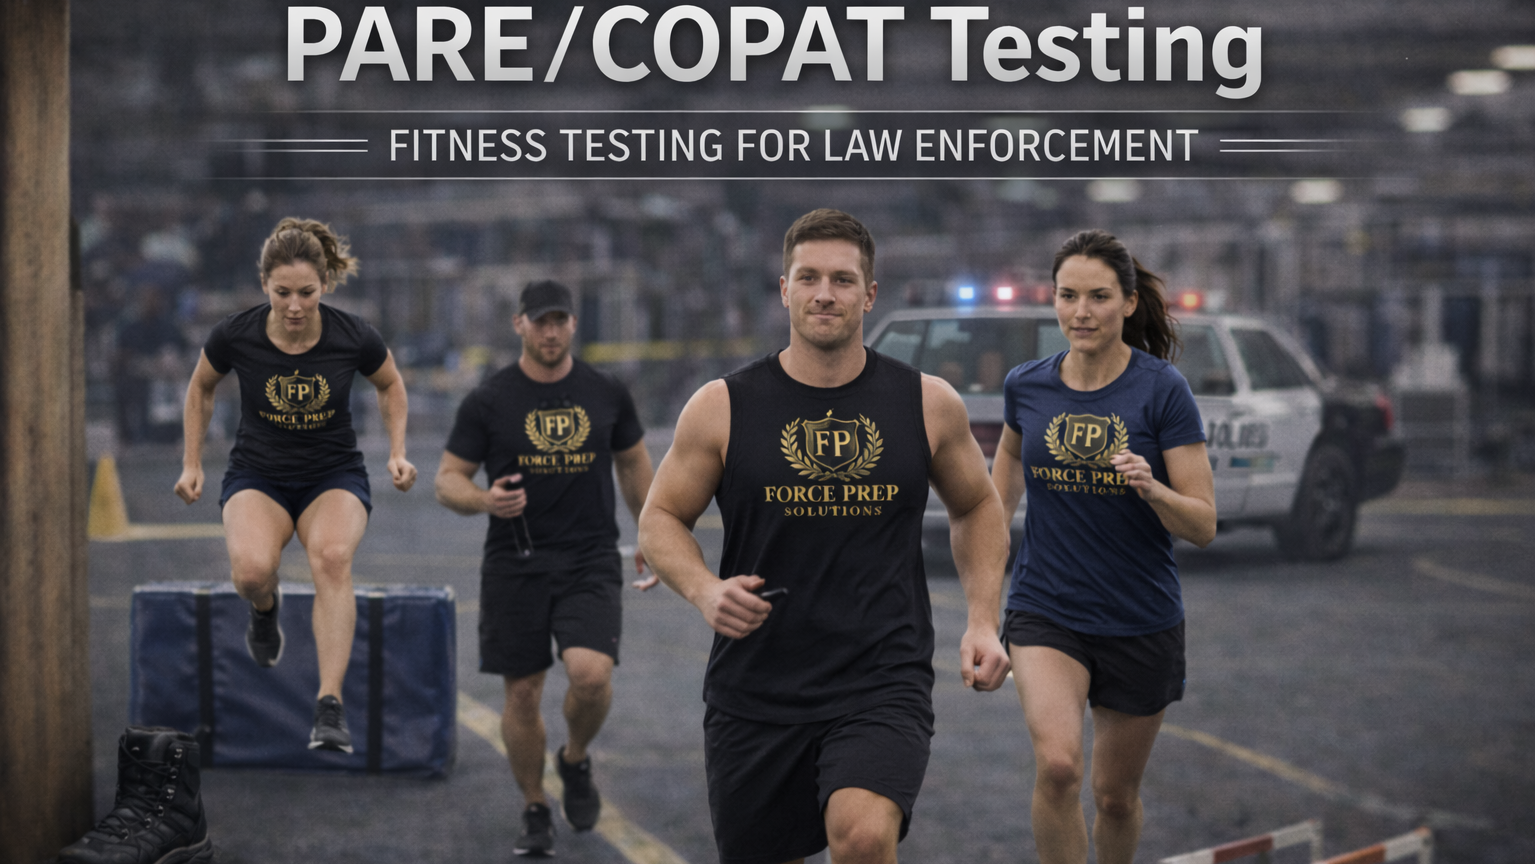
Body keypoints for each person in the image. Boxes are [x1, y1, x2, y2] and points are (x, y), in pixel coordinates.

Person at [638, 208, 1012, 864]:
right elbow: (659, 517)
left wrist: (982, 621)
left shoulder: (925, 403)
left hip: (879, 675)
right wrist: (702, 589)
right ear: (783, 289)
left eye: (842, 280)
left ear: (868, 295)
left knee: (863, 838)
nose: (823, 294)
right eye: (807, 278)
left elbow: (978, 506)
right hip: (755, 686)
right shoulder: (723, 405)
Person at [990, 229, 1216, 864]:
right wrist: (987, 546)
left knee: (1114, 797)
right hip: (1046, 608)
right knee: (1059, 767)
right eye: (1067, 296)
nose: (1080, 312)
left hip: (1140, 618)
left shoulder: (1162, 389)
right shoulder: (1026, 385)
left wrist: (1152, 489)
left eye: (1096, 296)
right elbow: (1004, 473)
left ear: (1128, 302)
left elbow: (1202, 524)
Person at [175, 217, 417, 754]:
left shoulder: (352, 335)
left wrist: (398, 451)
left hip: (332, 475)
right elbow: (201, 387)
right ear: (264, 285)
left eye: (306, 293)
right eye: (282, 292)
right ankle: (265, 612)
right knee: (253, 572)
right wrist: (192, 463)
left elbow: (391, 384)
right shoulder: (234, 334)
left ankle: (329, 705)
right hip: (258, 474)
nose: (294, 306)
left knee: (331, 558)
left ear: (324, 286)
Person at [434, 280, 655, 857]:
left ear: (573, 325)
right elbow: (447, 481)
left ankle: (574, 759)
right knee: (524, 692)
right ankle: (534, 804)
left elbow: (633, 464)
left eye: (559, 320)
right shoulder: (490, 400)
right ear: (520, 325)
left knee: (590, 674)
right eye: (540, 321)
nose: (550, 331)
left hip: (590, 557)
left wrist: (654, 531)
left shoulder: (606, 391)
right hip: (516, 563)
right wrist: (484, 500)